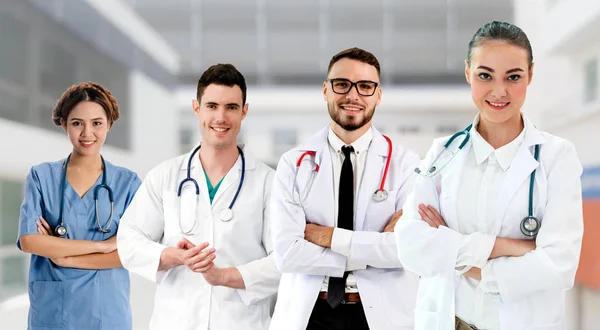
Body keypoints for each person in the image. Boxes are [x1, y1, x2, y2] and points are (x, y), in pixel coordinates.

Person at [394, 21, 584, 330]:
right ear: (468, 72)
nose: (499, 91)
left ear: (530, 75)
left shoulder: (557, 157)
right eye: (485, 75)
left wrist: (454, 250)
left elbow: (558, 266)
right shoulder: (442, 153)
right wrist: (507, 246)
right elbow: (410, 245)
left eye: (513, 77)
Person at [117, 63, 280, 330]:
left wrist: (225, 276)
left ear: (244, 112)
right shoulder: (165, 176)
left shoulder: (268, 183)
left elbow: (284, 261)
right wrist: (173, 255)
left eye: (231, 107)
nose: (221, 117)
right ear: (197, 108)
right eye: (212, 106)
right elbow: (128, 242)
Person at [269, 47, 420, 330]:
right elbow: (287, 254)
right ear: (326, 90)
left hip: (379, 314)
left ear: (378, 95)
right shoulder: (294, 163)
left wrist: (328, 237)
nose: (353, 95)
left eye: (365, 87)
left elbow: (407, 251)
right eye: (342, 84)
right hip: (311, 312)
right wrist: (371, 251)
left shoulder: (407, 165)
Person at [17, 82, 141, 330]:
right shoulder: (42, 176)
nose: (87, 133)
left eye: (96, 123)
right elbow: (30, 240)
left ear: (109, 124)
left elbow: (130, 252)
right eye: (77, 123)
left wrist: (63, 256)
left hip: (107, 313)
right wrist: (100, 245)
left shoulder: (127, 183)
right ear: (64, 125)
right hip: (53, 313)